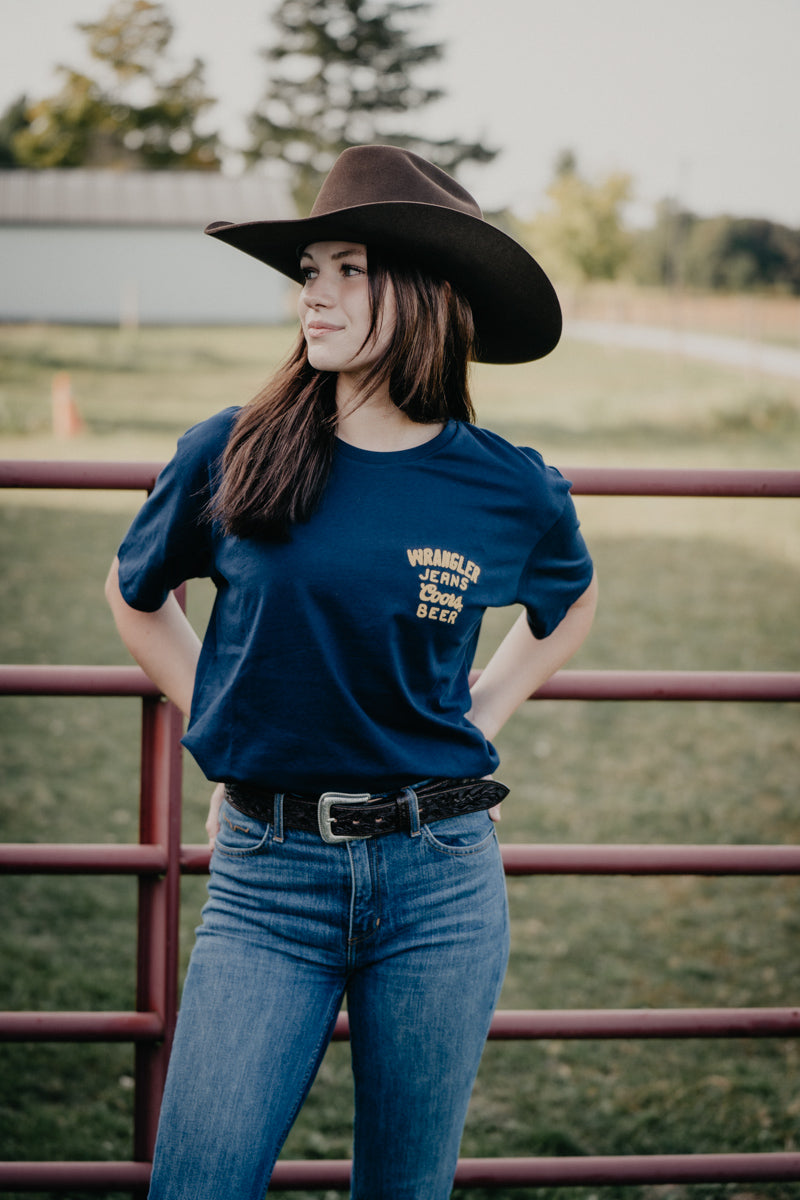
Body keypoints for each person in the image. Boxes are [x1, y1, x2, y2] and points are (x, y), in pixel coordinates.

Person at [105, 144, 597, 1200]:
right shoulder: (231, 450)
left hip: (441, 882)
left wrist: (487, 706)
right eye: (307, 271)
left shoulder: (507, 487)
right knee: (197, 1185)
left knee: (403, 1191)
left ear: (421, 294)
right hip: (266, 881)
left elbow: (569, 606)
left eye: (345, 269)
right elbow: (133, 598)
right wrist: (225, 717)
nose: (312, 295)